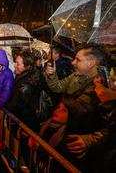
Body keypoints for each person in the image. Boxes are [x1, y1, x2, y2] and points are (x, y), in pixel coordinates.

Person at [44, 43, 108, 171]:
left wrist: (91, 140)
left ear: (91, 63)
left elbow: (78, 111)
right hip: (67, 136)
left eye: (77, 60)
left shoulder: (103, 87)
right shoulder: (75, 76)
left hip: (81, 146)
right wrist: (51, 76)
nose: (73, 63)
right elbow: (57, 87)